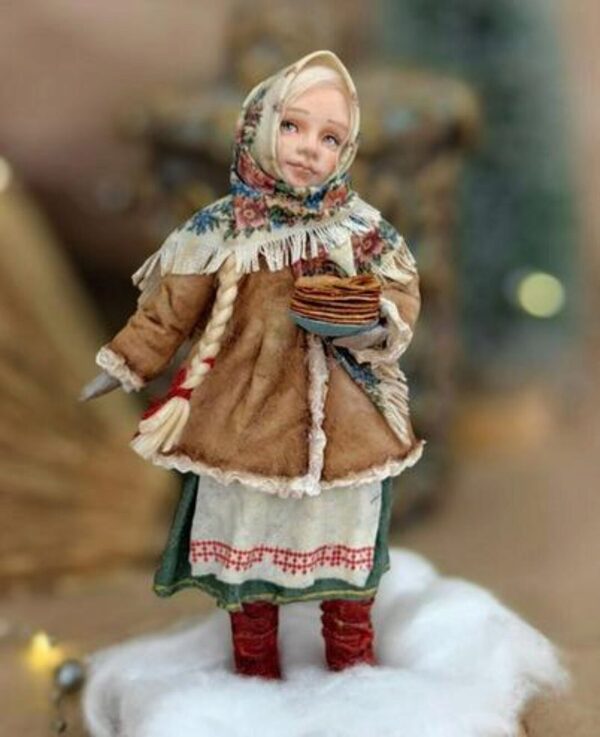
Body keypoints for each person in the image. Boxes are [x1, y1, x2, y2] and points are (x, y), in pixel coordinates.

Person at [81, 50, 424, 680]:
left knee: (346, 551)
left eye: (330, 137)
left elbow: (401, 293)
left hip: (344, 428)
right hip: (247, 423)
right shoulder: (219, 231)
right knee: (250, 553)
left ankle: (354, 669)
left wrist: (374, 324)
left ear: (347, 150)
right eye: (292, 126)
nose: (309, 148)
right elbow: (170, 310)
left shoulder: (360, 230)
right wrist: (127, 362)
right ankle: (255, 665)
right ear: (258, 126)